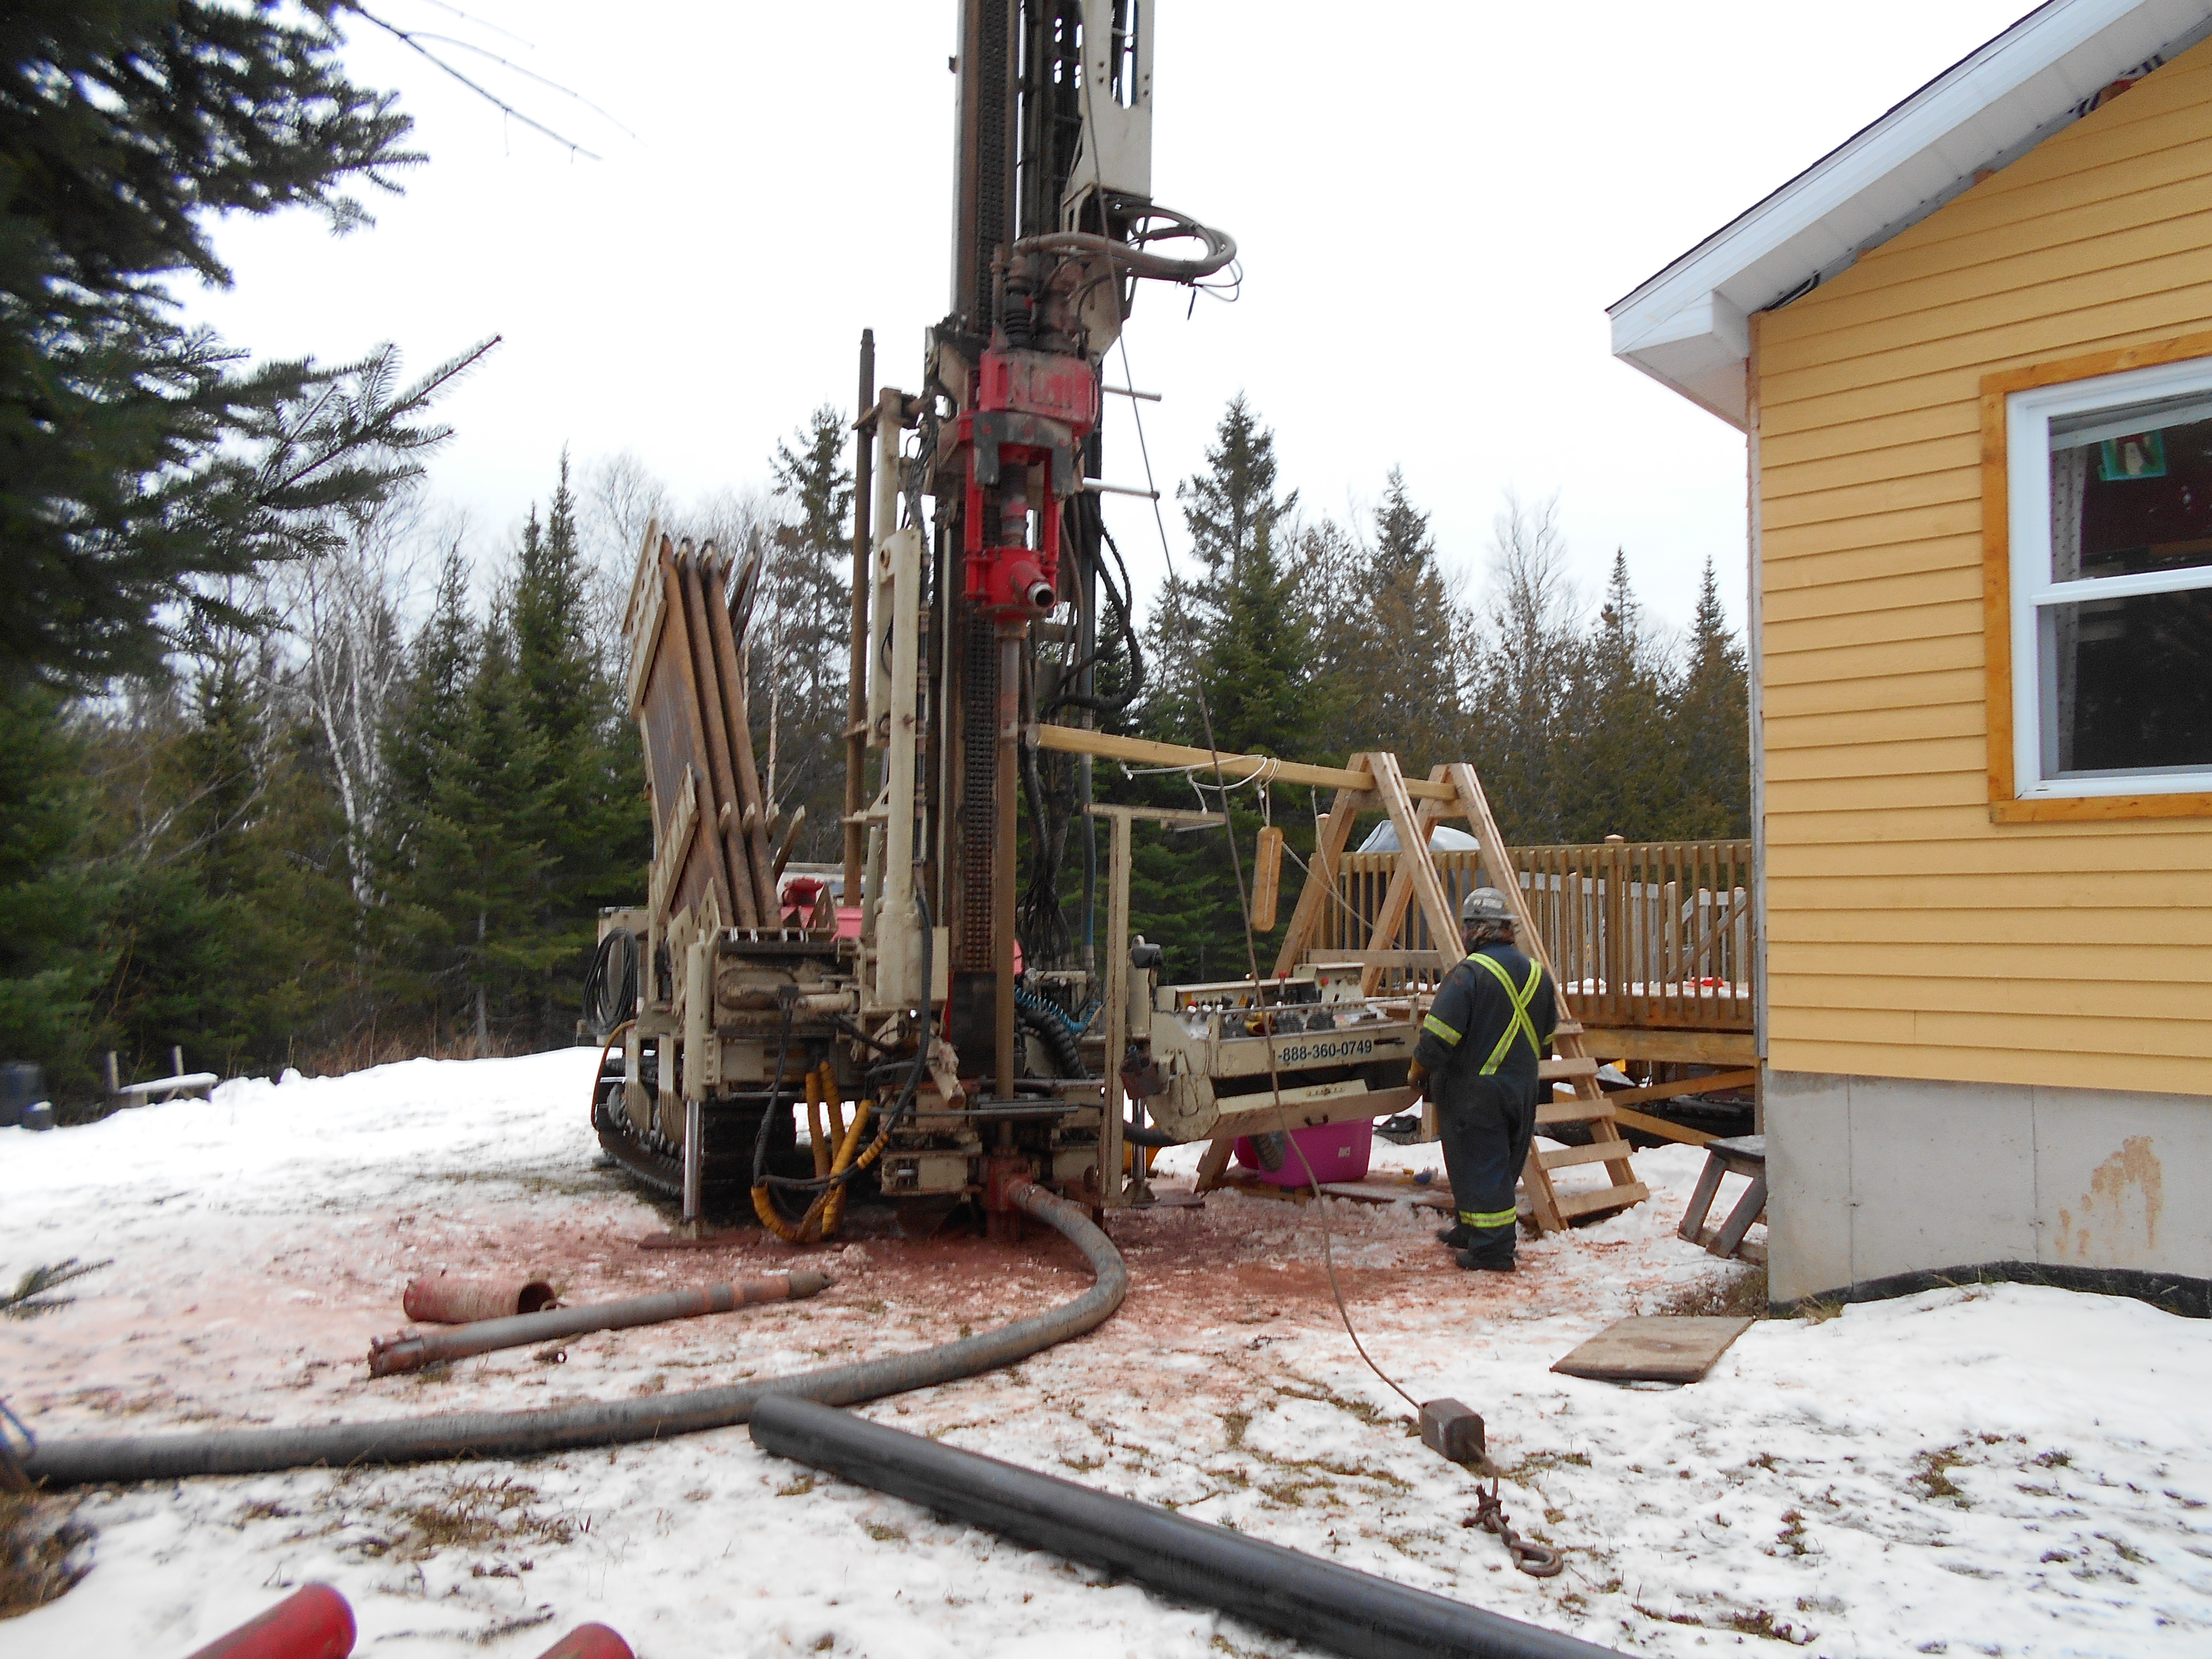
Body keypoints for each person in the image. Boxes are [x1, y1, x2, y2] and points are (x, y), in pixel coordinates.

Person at [1407, 887, 1556, 1273]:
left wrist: (1418, 1069)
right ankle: (1472, 1228)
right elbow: (1547, 1037)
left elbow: (1438, 1037)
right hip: (1521, 1089)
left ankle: (1492, 1250)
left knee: (1481, 1165)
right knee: (1497, 1165)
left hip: (1477, 1092)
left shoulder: (1469, 974)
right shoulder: (1539, 974)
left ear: (1476, 930)